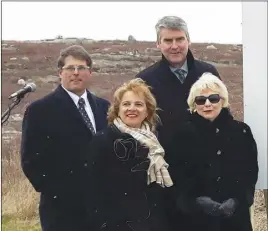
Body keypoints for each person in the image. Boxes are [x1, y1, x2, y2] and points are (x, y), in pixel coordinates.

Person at [20, 45, 110, 231]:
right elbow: (30, 160)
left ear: (90, 72)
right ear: (60, 72)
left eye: (81, 68)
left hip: (101, 208)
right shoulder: (40, 110)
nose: (76, 73)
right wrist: (56, 193)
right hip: (61, 211)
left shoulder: (104, 108)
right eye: (70, 68)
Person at [168, 72, 259, 231]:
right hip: (193, 221)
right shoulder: (180, 134)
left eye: (213, 98)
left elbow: (249, 172)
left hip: (234, 220)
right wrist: (195, 201)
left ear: (223, 101)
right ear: (193, 104)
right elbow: (175, 175)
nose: (207, 104)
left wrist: (237, 200)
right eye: (201, 100)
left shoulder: (241, 132)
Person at [84, 78, 173, 231]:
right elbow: (92, 189)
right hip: (116, 225)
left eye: (138, 104)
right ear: (117, 110)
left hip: (153, 224)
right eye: (126, 104)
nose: (132, 108)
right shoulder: (102, 141)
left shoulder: (157, 143)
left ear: (147, 111)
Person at [136, 16, 221, 149]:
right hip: (166, 162)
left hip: (207, 157)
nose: (174, 46)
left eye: (180, 39)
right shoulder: (145, 80)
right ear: (158, 43)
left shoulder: (208, 72)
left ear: (189, 40)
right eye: (168, 40)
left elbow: (223, 113)